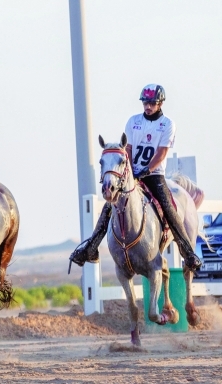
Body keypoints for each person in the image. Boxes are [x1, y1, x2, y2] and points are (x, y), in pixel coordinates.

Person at [70, 84, 203, 270]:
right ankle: (91, 248)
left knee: (168, 207)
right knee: (109, 206)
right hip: (131, 174)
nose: (148, 106)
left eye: (152, 103)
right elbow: (129, 149)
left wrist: (147, 170)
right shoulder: (133, 121)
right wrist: (131, 171)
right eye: (145, 103)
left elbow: (162, 153)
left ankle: (188, 252)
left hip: (154, 175)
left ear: (160, 103)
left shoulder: (167, 124)